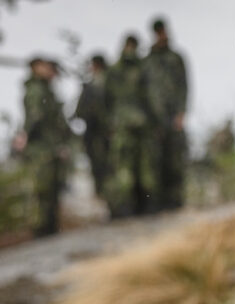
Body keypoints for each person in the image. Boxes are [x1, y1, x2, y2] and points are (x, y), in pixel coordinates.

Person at [103, 35, 158, 218]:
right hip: (136, 124)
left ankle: (128, 208)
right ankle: (140, 207)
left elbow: (105, 101)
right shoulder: (141, 69)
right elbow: (150, 99)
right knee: (139, 166)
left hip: (124, 124)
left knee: (128, 166)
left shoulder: (114, 70)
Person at [21, 57, 72, 236]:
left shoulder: (46, 90)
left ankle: (49, 227)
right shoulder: (36, 90)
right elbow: (35, 117)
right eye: (43, 67)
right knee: (41, 189)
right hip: (40, 149)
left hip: (49, 147)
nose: (48, 71)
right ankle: (41, 229)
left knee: (51, 188)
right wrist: (25, 135)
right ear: (35, 68)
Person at [143, 17, 188, 211]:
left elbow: (184, 86)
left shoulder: (176, 58)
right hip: (153, 119)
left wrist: (181, 113)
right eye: (157, 31)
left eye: (162, 31)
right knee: (155, 160)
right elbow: (142, 91)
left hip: (173, 116)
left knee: (175, 159)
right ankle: (157, 203)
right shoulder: (147, 61)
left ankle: (175, 202)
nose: (161, 35)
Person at [73, 54, 111, 197]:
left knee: (107, 164)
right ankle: (102, 193)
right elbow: (79, 111)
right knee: (98, 163)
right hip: (94, 131)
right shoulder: (90, 85)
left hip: (106, 132)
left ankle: (108, 194)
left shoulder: (109, 83)